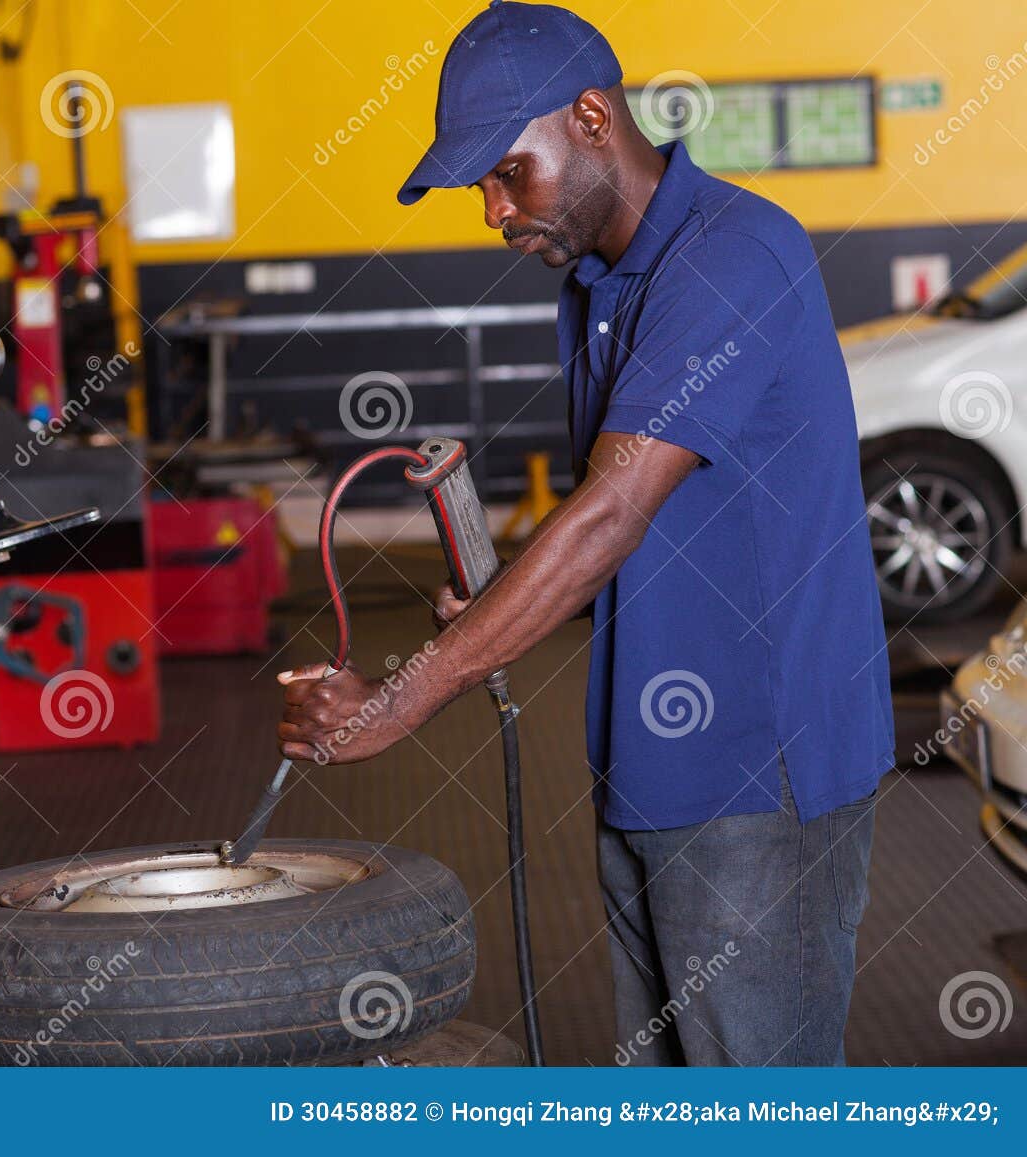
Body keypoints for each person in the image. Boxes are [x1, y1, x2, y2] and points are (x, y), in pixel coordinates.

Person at [276, 2, 893, 1066]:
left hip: (759, 770)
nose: (492, 210)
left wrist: (399, 698)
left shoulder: (733, 255)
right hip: (648, 763)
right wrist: (510, 599)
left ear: (593, 119)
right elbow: (647, 529)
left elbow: (610, 513)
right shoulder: (602, 288)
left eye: (508, 172)